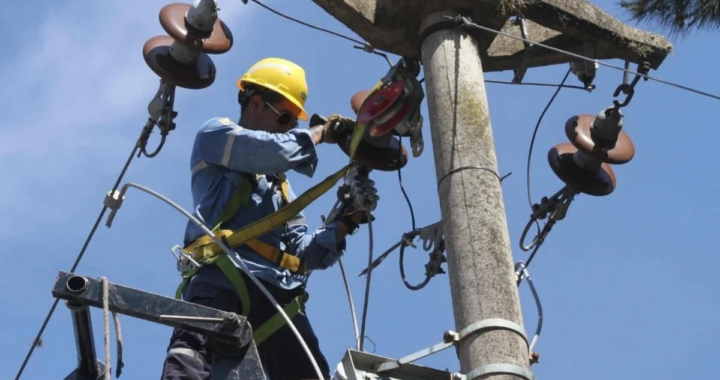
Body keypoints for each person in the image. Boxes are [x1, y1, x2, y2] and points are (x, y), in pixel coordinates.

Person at [160, 57, 372, 380]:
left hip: (274, 296)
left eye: (292, 123)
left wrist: (348, 220)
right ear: (256, 103)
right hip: (221, 278)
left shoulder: (279, 189)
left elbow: (303, 253)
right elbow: (270, 151)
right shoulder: (217, 136)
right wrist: (317, 134)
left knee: (311, 373)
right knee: (190, 364)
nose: (290, 129)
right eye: (286, 118)